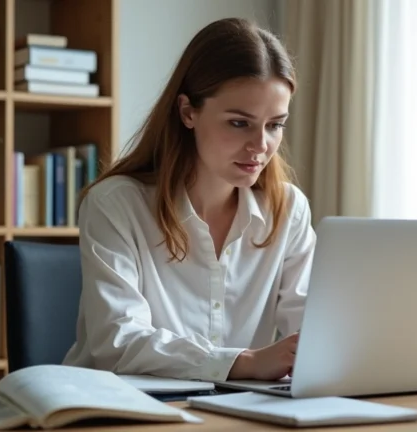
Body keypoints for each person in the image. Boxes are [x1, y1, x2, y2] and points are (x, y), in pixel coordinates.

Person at [62, 17, 316, 383]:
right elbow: (118, 341)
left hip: (234, 410)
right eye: (239, 123)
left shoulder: (287, 209)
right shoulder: (115, 204)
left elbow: (314, 326)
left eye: (275, 125)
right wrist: (242, 362)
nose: (261, 146)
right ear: (187, 112)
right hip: (116, 410)